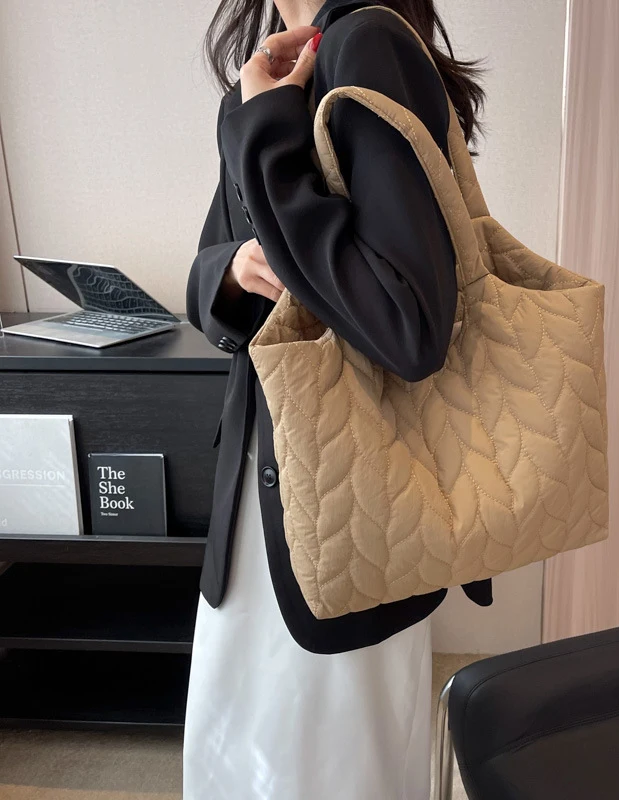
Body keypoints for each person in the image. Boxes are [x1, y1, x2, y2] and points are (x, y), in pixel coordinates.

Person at [184, 1, 491, 797]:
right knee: (241, 760)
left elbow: (407, 325)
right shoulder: (267, 73)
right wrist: (231, 271)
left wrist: (268, 130)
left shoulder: (367, 44)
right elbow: (209, 262)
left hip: (351, 503)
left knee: (323, 769)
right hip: (261, 502)